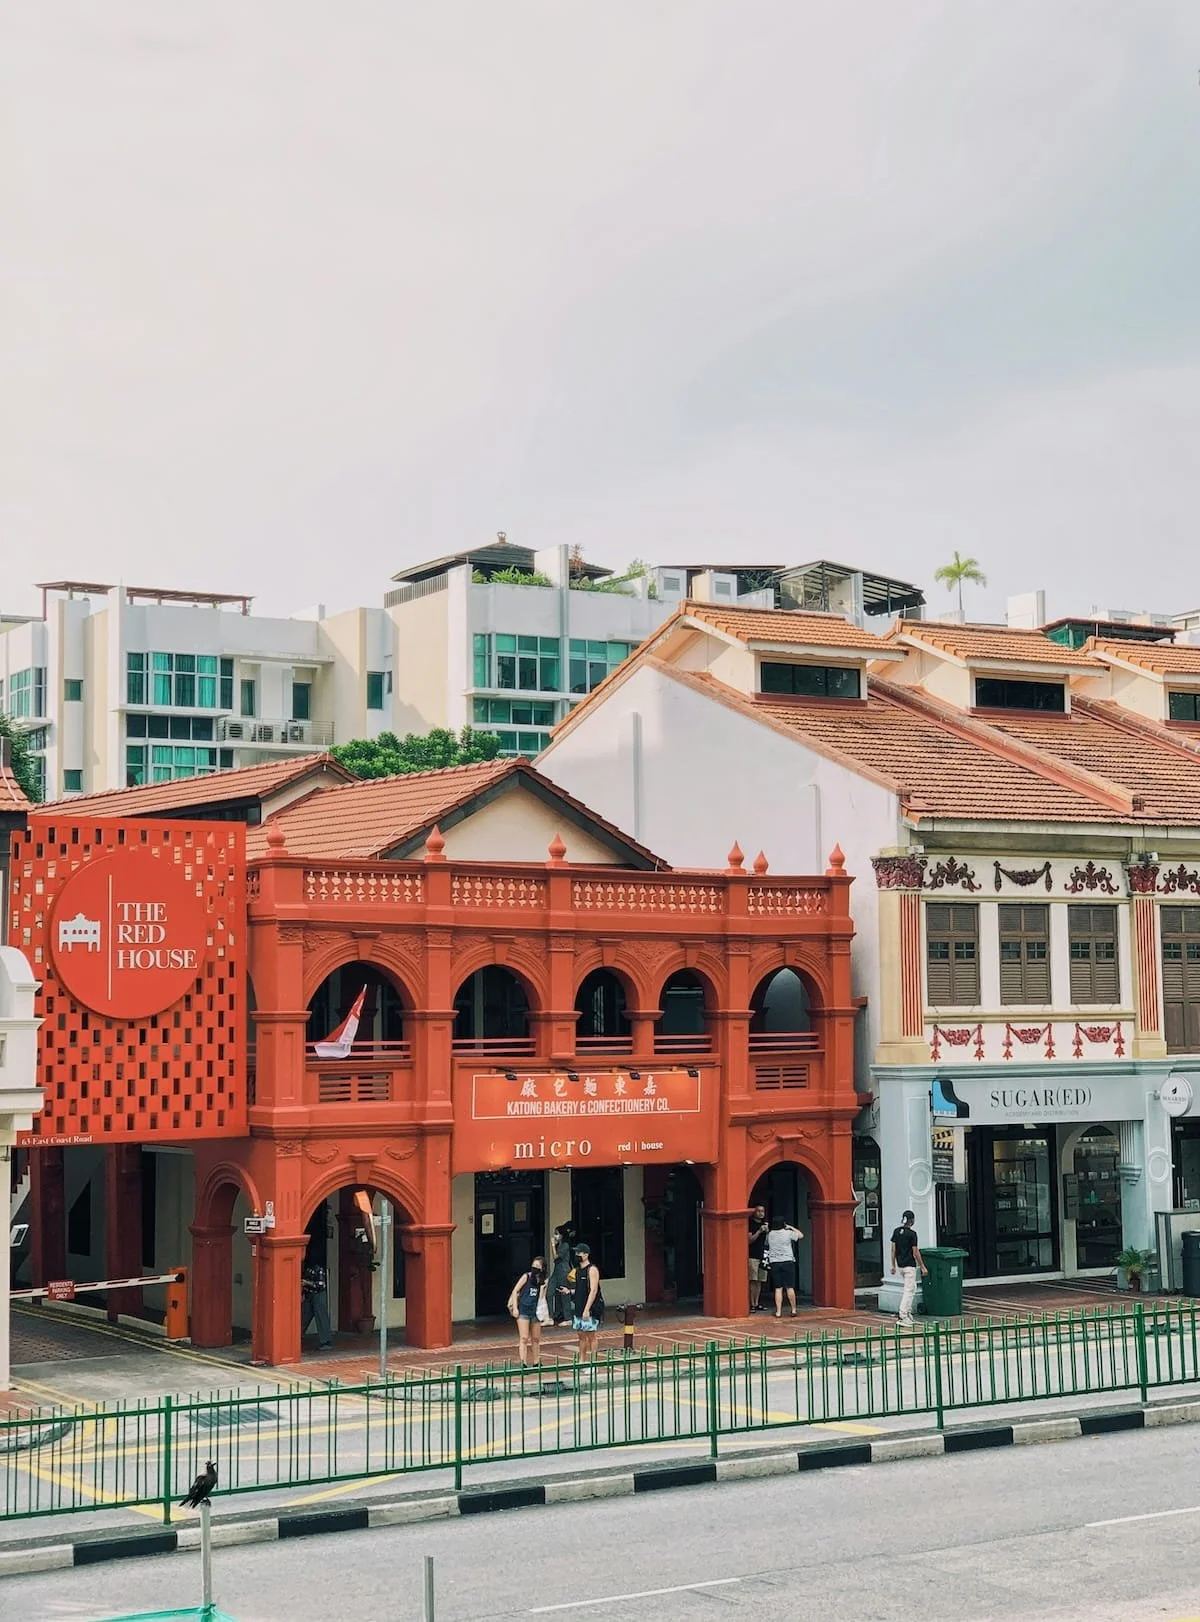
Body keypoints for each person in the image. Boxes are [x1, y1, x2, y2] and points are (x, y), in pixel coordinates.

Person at [507, 1257, 549, 1368]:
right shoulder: (526, 1276)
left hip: (535, 1311)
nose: (535, 1269)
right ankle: (523, 1362)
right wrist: (515, 1308)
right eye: (533, 1266)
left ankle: (536, 1361)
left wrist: (543, 1288)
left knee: (536, 1338)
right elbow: (515, 1290)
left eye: (538, 1267)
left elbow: (542, 1298)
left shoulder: (542, 1280)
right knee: (524, 1337)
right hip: (523, 1310)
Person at [890, 1210, 928, 1328]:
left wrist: (893, 1265)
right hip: (909, 1265)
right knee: (909, 1290)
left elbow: (893, 1250)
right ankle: (903, 1315)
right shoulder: (912, 1234)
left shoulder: (896, 1232)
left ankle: (908, 1313)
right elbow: (915, 1252)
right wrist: (922, 1266)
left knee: (912, 1287)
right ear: (911, 1221)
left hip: (900, 1265)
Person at [571, 1242, 604, 1365]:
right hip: (579, 1306)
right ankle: (582, 1360)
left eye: (579, 1252)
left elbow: (593, 1290)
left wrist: (587, 1309)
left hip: (589, 1308)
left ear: (586, 1254)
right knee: (581, 1335)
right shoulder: (578, 1270)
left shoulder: (592, 1269)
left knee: (591, 1335)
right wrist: (569, 1291)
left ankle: (593, 1362)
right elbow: (580, 1289)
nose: (577, 1255)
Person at [764, 1217, 804, 1318]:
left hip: (774, 1262)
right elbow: (800, 1235)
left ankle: (778, 1312)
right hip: (788, 1261)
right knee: (789, 1287)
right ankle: (793, 1310)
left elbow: (766, 1244)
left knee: (778, 1288)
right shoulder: (787, 1233)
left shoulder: (770, 1234)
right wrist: (791, 1227)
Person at [300, 1259, 332, 1350]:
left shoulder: (318, 1268)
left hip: (318, 1294)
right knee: (304, 1315)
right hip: (309, 1294)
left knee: (321, 1317)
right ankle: (297, 1337)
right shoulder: (306, 1268)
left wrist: (307, 1283)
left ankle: (326, 1341)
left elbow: (321, 1285)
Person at [547, 1223, 574, 1326]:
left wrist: (553, 1245)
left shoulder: (565, 1245)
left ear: (562, 1235)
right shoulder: (560, 1245)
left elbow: (556, 1257)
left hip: (563, 1271)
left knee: (564, 1294)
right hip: (556, 1271)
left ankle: (568, 1318)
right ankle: (550, 1316)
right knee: (549, 1292)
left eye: (556, 1234)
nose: (555, 1236)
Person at [748, 1205, 769, 1311]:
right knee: (753, 1280)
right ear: (754, 1212)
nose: (761, 1213)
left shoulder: (765, 1224)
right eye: (759, 1211)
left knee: (760, 1281)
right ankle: (752, 1304)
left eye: (762, 1211)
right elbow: (749, 1240)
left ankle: (757, 1303)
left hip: (763, 1256)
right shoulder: (750, 1224)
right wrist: (759, 1231)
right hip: (753, 1255)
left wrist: (768, 1231)